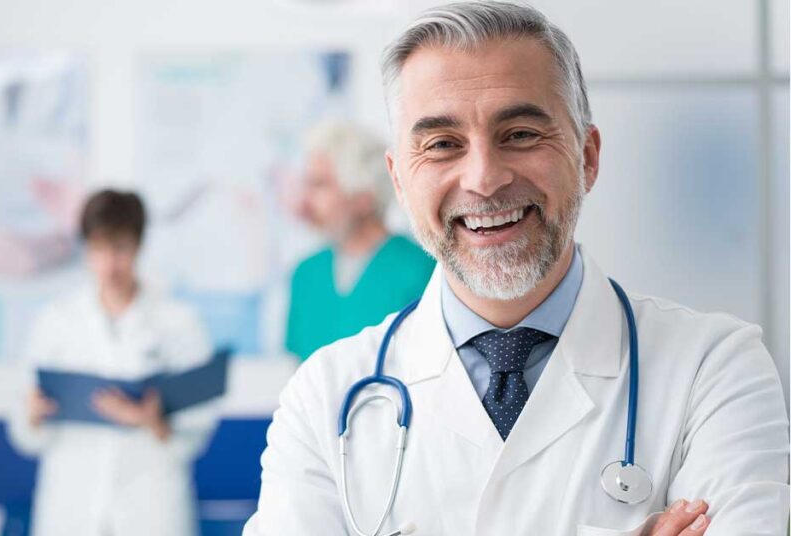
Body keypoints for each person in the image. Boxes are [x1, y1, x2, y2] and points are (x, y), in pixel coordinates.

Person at [245, 3, 789, 535]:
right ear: (398, 180)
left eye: (521, 134)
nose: (484, 178)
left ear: (587, 157)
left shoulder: (714, 370)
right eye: (441, 144)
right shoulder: (325, 397)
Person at [8, 190, 219, 536]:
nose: (109, 264)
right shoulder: (56, 320)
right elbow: (23, 432)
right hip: (72, 503)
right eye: (98, 250)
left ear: (138, 246)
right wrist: (32, 414)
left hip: (150, 503)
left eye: (120, 248)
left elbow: (199, 425)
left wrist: (153, 421)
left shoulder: (178, 322)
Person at [287, 120, 434, 361]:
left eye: (320, 185)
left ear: (364, 196)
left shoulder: (421, 271)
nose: (306, 200)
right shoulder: (306, 275)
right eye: (307, 184)